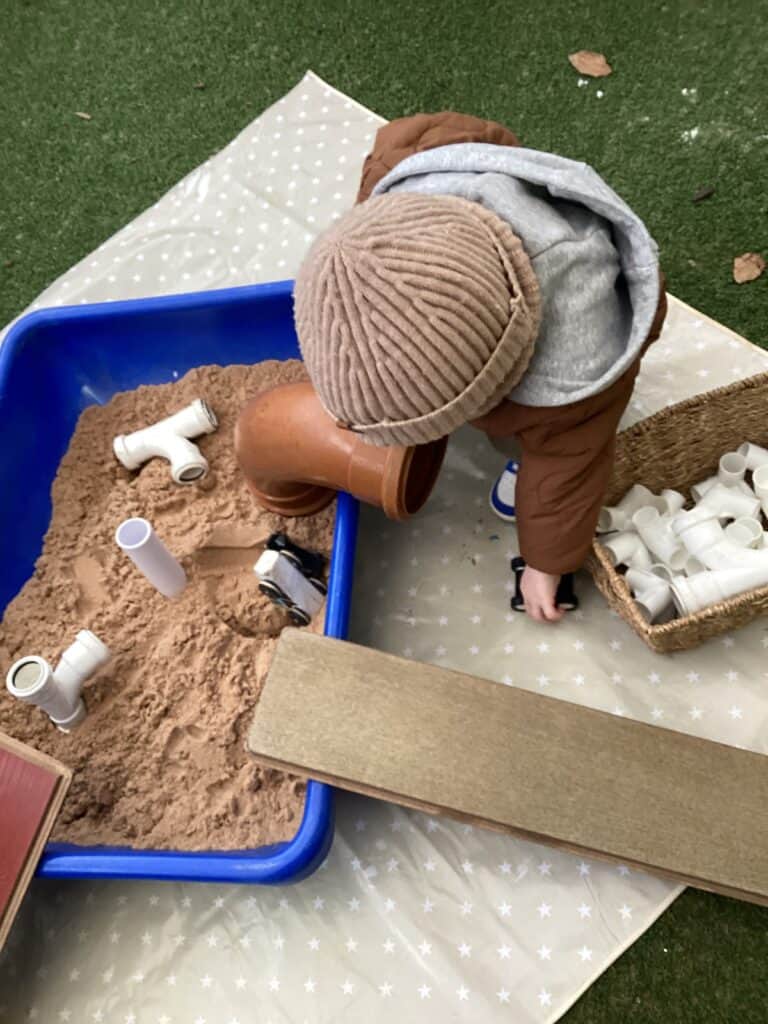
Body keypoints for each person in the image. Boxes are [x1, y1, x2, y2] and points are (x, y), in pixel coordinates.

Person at [293, 112, 668, 623]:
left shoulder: (575, 365)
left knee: (537, 437)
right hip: (480, 224)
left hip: (575, 320)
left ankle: (514, 454)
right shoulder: (396, 193)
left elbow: (568, 466)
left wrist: (546, 561)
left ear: (496, 372)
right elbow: (435, 137)